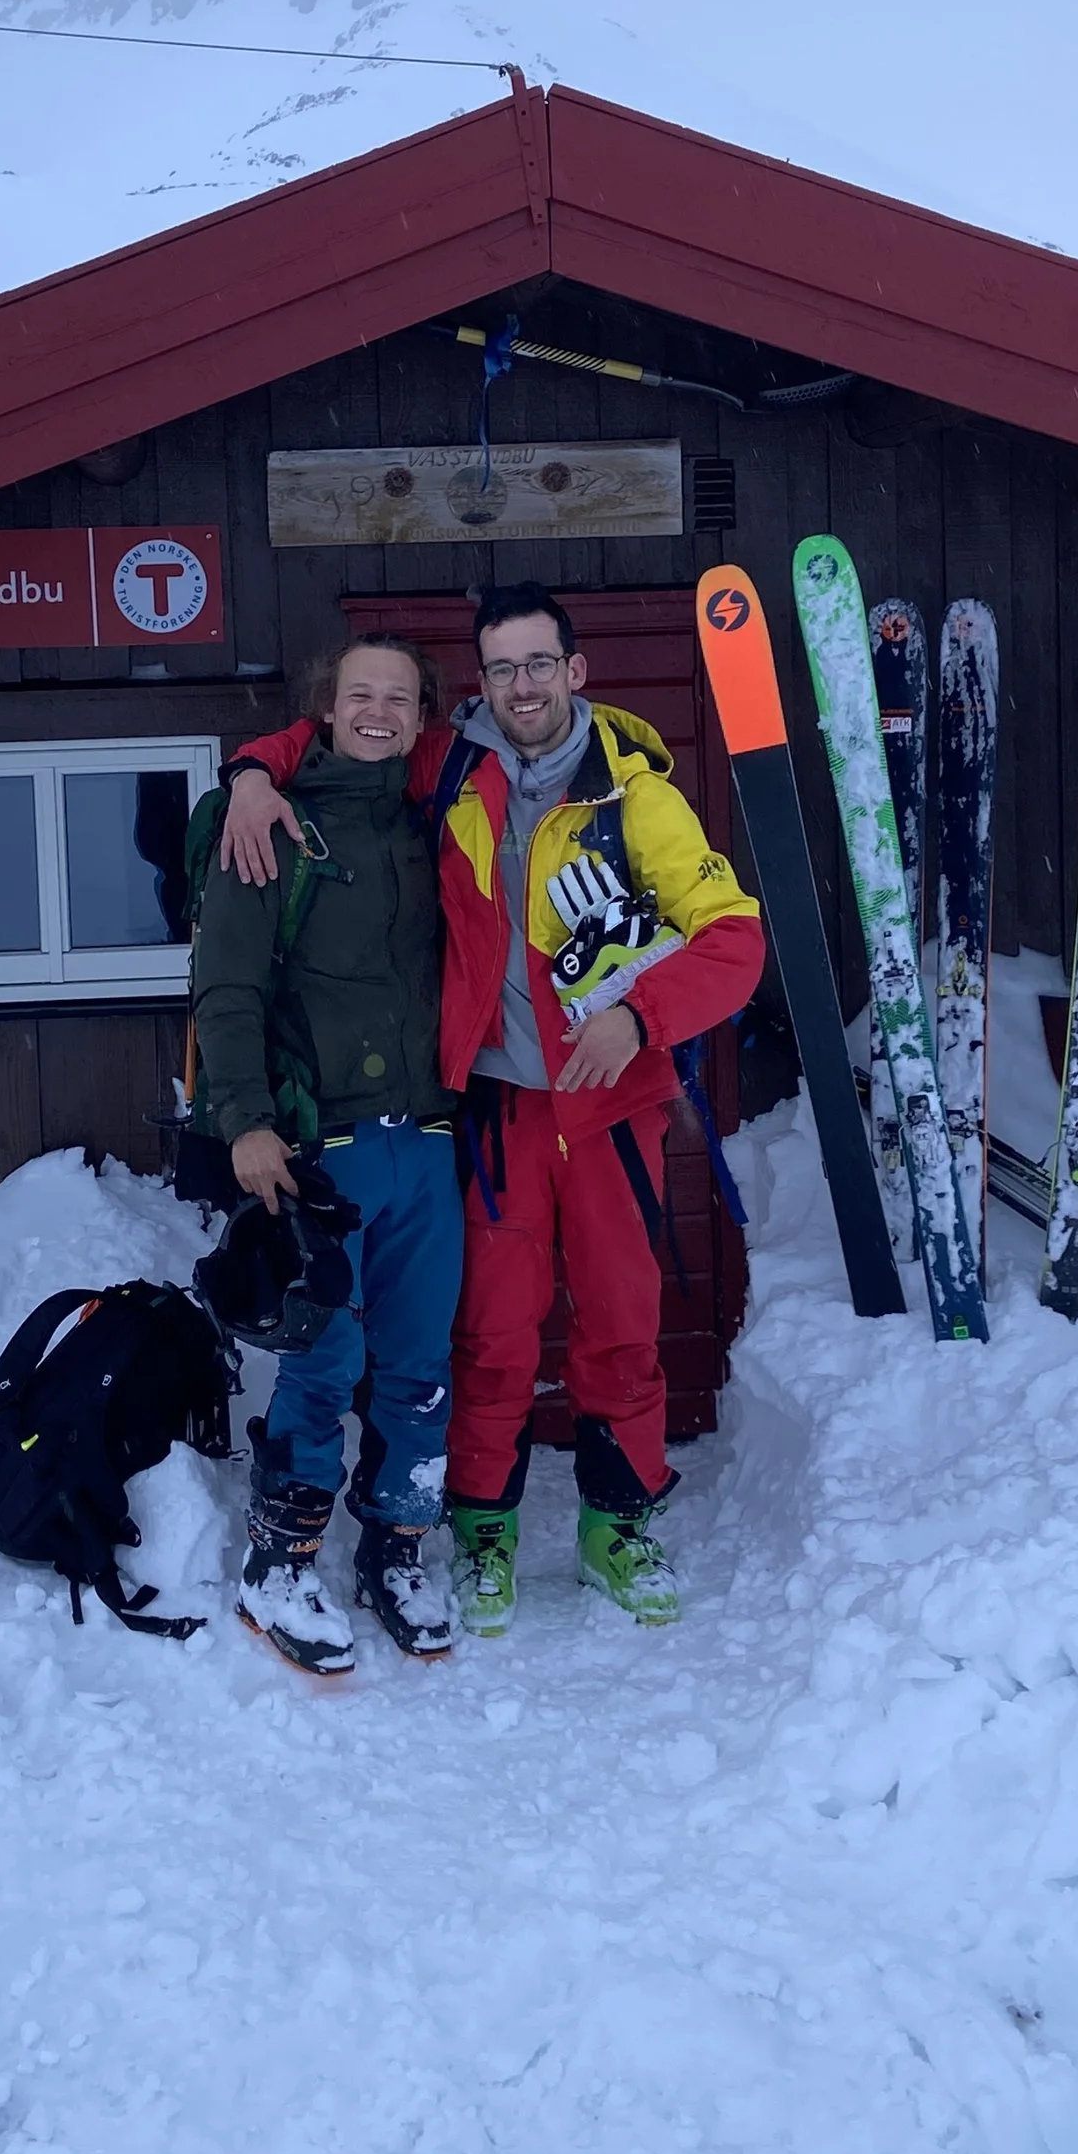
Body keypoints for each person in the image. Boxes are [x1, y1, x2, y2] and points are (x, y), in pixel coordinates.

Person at [219, 583, 765, 1633]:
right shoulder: (453, 768)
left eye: (537, 664)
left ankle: (619, 1527)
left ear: (575, 672)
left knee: (620, 1326)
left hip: (612, 1106)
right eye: (501, 668)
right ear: (480, 685)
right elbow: (354, 727)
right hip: (495, 1113)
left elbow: (732, 939)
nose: (521, 685)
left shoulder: (633, 797)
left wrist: (641, 1019)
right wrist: (253, 771)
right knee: (492, 1336)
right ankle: (482, 1536)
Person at [188, 636, 462, 1675]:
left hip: (427, 1137)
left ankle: (395, 1548)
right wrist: (246, 1122)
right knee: (323, 1357)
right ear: (327, 706)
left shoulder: (436, 818)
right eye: (361, 695)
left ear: (421, 711)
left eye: (399, 695)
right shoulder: (270, 824)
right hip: (324, 1144)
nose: (379, 712)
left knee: (419, 1364)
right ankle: (281, 1559)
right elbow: (228, 986)